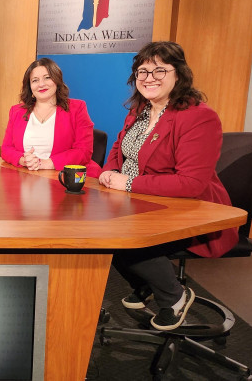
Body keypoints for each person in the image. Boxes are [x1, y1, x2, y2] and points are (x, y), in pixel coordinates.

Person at [98, 41, 238, 331]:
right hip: (136, 201)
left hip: (189, 210)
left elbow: (191, 184)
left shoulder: (198, 117)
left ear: (179, 74)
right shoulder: (140, 109)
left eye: (160, 70)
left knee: (119, 236)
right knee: (94, 228)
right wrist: (110, 170)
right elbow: (119, 148)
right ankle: (149, 283)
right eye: (142, 71)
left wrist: (129, 183)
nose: (149, 78)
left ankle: (174, 295)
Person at [1, 58, 101, 177]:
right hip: (26, 178)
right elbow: (6, 149)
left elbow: (83, 151)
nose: (41, 84)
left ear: (57, 80)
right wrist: (23, 160)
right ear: (30, 86)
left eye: (47, 77)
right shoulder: (16, 111)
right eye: (35, 80)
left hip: (64, 178)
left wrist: (47, 163)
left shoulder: (77, 108)